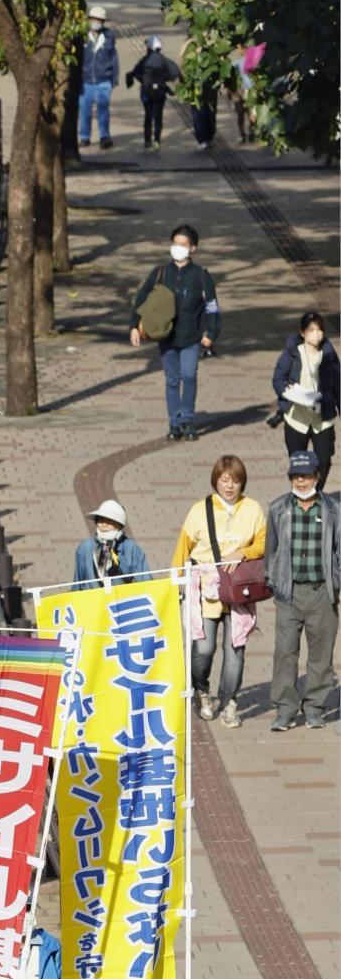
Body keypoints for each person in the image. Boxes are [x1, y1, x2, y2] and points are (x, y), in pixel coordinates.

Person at [171, 454, 267, 726]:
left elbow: (264, 543)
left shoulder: (253, 509)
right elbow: (183, 548)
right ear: (215, 480)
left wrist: (244, 552)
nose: (229, 486)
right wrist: (175, 583)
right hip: (205, 588)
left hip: (239, 590)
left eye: (235, 481)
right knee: (203, 648)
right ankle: (201, 690)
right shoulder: (199, 510)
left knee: (235, 648)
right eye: (224, 480)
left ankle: (229, 701)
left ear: (242, 483)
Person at [266, 449, 339, 730]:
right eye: (296, 476)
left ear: (317, 477)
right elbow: (270, 551)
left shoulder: (333, 509)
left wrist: (336, 581)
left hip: (323, 592)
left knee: (321, 652)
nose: (301, 482)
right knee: (285, 651)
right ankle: (285, 708)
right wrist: (274, 582)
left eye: (306, 476)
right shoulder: (278, 508)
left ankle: (314, 707)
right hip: (290, 592)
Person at [130, 224, 221, 442]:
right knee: (172, 380)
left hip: (191, 337)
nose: (178, 248)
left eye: (183, 244)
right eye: (175, 243)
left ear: (193, 249)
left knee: (188, 376)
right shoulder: (160, 273)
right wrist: (134, 326)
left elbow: (212, 306)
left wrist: (211, 332)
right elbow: (140, 300)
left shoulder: (201, 276)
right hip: (166, 337)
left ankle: (188, 420)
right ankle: (174, 422)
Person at [272, 310, 338, 490]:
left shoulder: (329, 355)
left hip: (322, 418)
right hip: (297, 417)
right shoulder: (292, 353)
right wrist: (287, 390)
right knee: (298, 463)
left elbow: (337, 383)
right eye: (311, 330)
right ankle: (301, 497)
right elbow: (278, 379)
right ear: (302, 332)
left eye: (320, 330)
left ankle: (315, 493)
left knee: (324, 461)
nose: (316, 334)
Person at [71, 497, 149, 587]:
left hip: (122, 599)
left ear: (119, 523)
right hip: (93, 599)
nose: (104, 523)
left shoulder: (131, 547)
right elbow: (78, 582)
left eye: (109, 519)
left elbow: (145, 581)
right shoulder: (85, 547)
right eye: (101, 519)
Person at [126, 34, 179, 149]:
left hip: (146, 93)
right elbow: (174, 72)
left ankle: (147, 140)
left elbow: (135, 72)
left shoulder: (145, 60)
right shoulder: (164, 60)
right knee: (158, 117)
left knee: (148, 116)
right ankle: (157, 140)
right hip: (160, 93)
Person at [78, 3, 118, 150]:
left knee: (103, 109)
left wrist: (114, 78)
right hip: (86, 80)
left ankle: (104, 136)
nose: (96, 22)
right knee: (85, 110)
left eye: (99, 20)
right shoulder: (82, 36)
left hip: (103, 79)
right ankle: (84, 137)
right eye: (93, 19)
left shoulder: (108, 37)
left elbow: (114, 58)